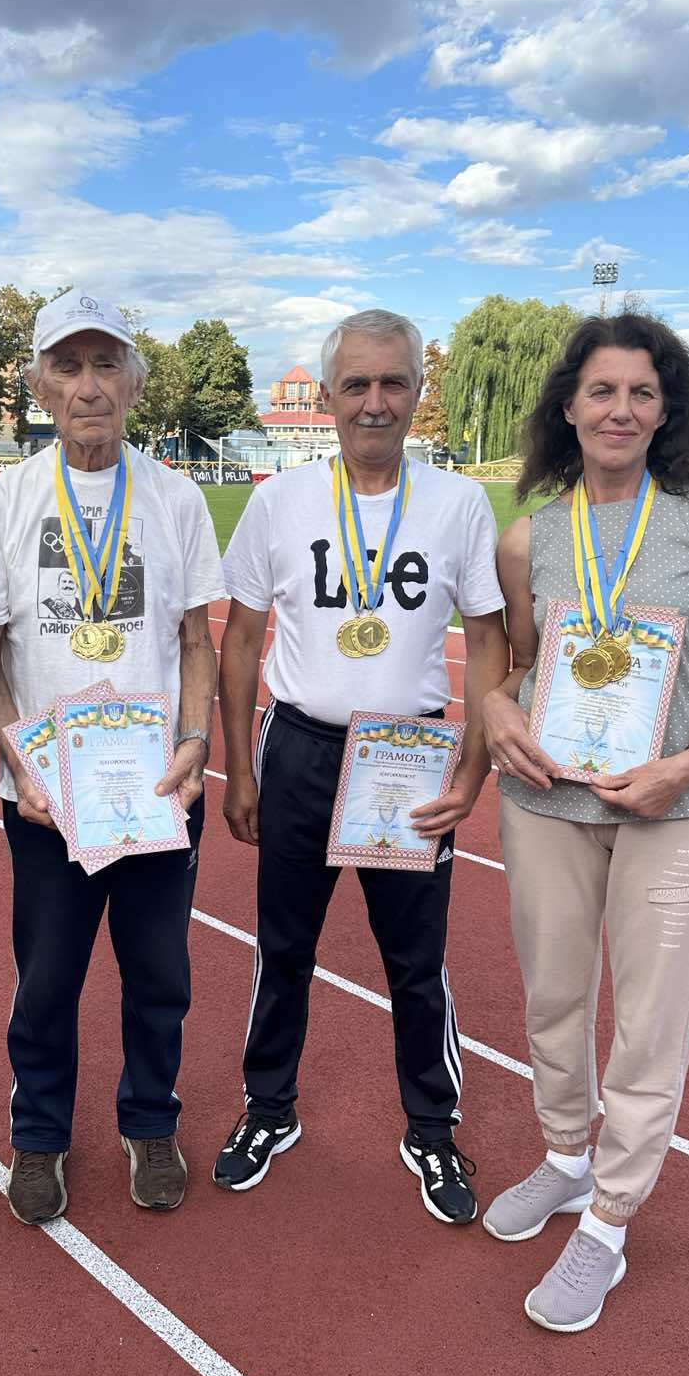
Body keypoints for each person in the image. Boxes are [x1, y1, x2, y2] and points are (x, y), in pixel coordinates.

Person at [480, 314, 689, 1332]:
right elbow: (514, 661)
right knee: (554, 998)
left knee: (650, 1023)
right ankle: (567, 1155)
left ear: (666, 410)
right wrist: (496, 709)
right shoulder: (530, 533)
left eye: (642, 393)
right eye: (602, 391)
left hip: (678, 807)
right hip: (548, 805)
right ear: (567, 405)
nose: (621, 410)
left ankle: (607, 1222)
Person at [212, 308, 509, 1223]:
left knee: (415, 962)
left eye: (393, 384)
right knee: (284, 946)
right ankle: (270, 1109)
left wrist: (472, 767)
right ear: (331, 398)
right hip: (299, 745)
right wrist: (241, 770)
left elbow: (492, 638)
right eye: (357, 385)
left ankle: (431, 1124)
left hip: (406, 758)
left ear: (419, 395)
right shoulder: (281, 499)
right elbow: (242, 638)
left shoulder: (458, 503)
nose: (374, 402)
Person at [0, 288, 225, 1222]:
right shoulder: (0, 502)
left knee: (160, 975)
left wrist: (195, 745)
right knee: (47, 981)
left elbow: (198, 640)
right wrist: (15, 767)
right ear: (38, 383)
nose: (88, 384)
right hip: (46, 798)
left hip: (157, 790)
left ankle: (149, 1122)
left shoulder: (178, 496)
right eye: (67, 365)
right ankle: (39, 1137)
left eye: (106, 363)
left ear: (134, 383)